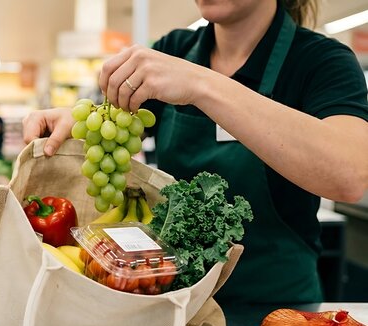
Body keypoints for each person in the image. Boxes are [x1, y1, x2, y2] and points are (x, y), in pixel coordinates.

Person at [22, 0, 368, 304]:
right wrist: (78, 121)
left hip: (277, 311)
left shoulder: (320, 61)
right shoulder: (176, 49)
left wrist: (200, 85)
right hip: (173, 304)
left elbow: (350, 176)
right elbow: (115, 130)